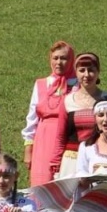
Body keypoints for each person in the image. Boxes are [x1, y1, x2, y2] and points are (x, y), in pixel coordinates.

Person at [21, 41, 77, 187]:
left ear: (71, 61)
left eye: (64, 58)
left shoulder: (78, 84)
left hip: (68, 138)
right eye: (55, 58)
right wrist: (28, 149)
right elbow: (32, 118)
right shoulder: (41, 84)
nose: (59, 62)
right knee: (42, 183)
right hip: (44, 139)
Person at [50, 52, 107, 178]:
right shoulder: (68, 101)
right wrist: (56, 164)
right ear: (76, 72)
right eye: (82, 70)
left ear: (98, 72)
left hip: (99, 159)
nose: (86, 75)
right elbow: (60, 136)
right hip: (72, 161)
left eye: (91, 70)